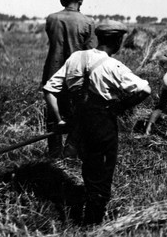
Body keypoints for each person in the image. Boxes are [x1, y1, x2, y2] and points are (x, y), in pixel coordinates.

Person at [42, 21, 151, 225]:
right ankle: (93, 225)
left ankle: (84, 215)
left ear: (99, 38)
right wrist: (121, 107)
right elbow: (145, 90)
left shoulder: (76, 57)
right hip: (102, 124)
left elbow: (49, 90)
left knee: (89, 169)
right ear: (118, 41)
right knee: (102, 175)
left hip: (78, 125)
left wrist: (60, 120)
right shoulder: (112, 65)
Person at [41, 0, 95, 158]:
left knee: (53, 111)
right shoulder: (87, 22)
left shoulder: (51, 18)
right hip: (76, 73)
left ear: (62, 2)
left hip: (53, 69)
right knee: (78, 111)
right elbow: (91, 49)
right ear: (80, 2)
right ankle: (71, 151)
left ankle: (55, 153)